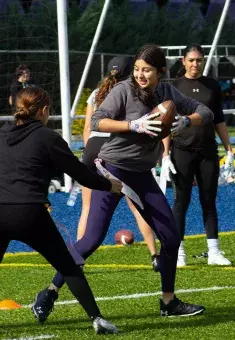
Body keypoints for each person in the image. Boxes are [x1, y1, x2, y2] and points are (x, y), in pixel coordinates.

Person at [33, 44, 212, 321]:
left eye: (147, 71)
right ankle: (50, 291)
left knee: (172, 236)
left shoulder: (166, 92)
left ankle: (168, 301)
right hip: (112, 171)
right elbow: (97, 121)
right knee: (91, 239)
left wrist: (186, 121)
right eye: (138, 69)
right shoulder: (124, 90)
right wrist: (133, 125)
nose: (140, 75)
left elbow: (206, 112)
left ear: (161, 72)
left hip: (140, 174)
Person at [0, 87, 123, 334]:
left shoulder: (2, 133)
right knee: (67, 266)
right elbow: (80, 174)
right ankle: (97, 319)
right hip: (29, 213)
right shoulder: (48, 137)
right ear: (45, 111)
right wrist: (109, 184)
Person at [79, 56, 160, 271]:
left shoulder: (97, 94)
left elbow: (88, 128)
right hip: (119, 152)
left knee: (87, 208)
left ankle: (78, 261)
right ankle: (155, 254)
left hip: (94, 150)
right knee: (137, 206)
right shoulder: (131, 93)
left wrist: (91, 154)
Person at [161, 44, 234, 267]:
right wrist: (164, 155)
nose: (195, 64)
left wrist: (229, 150)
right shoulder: (174, 86)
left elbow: (218, 120)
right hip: (182, 150)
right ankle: (178, 252)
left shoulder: (212, 86)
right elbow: (165, 123)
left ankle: (213, 251)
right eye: (191, 60)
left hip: (208, 152)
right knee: (181, 202)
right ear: (183, 61)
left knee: (209, 200)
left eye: (199, 61)